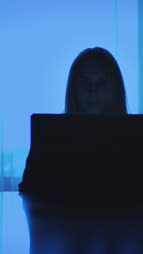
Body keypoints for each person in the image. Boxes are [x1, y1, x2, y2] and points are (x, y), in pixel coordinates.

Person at [18, 47, 128, 192]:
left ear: (114, 89)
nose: (92, 89)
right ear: (73, 89)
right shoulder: (48, 136)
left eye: (101, 83)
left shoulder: (129, 139)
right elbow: (28, 189)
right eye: (84, 82)